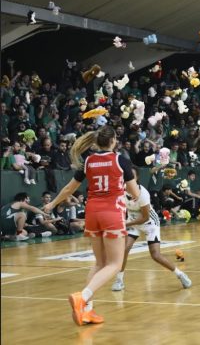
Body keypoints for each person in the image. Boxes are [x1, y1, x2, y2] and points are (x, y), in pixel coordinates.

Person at [44, 125, 143, 326]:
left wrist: (52, 204)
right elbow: (135, 193)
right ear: (113, 141)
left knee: (99, 263)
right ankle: (82, 297)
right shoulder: (120, 161)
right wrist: (132, 195)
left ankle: (87, 311)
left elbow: (69, 188)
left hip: (92, 212)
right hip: (112, 213)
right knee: (114, 264)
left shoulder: (88, 161)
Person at [112, 169, 192, 291]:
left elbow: (145, 217)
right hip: (133, 221)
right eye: (126, 175)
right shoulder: (120, 190)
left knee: (155, 255)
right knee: (123, 250)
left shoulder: (143, 194)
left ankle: (180, 274)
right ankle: (119, 280)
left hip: (149, 223)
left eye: (131, 176)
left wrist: (125, 223)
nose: (127, 177)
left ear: (137, 178)